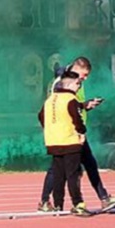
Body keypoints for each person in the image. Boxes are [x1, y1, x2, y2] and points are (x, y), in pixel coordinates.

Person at [39, 56, 115, 213]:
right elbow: (61, 104)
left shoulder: (74, 83)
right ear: (76, 69)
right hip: (70, 134)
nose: (83, 80)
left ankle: (51, 203)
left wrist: (86, 106)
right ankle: (77, 203)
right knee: (66, 170)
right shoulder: (62, 82)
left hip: (71, 132)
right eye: (83, 75)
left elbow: (72, 104)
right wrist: (79, 128)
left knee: (78, 166)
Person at [38, 70, 90, 216]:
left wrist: (50, 129)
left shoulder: (50, 100)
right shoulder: (70, 100)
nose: (79, 87)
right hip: (70, 141)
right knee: (73, 174)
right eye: (78, 84)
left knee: (58, 175)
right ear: (69, 84)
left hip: (54, 142)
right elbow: (77, 119)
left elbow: (41, 116)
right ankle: (78, 204)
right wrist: (81, 132)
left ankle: (58, 205)